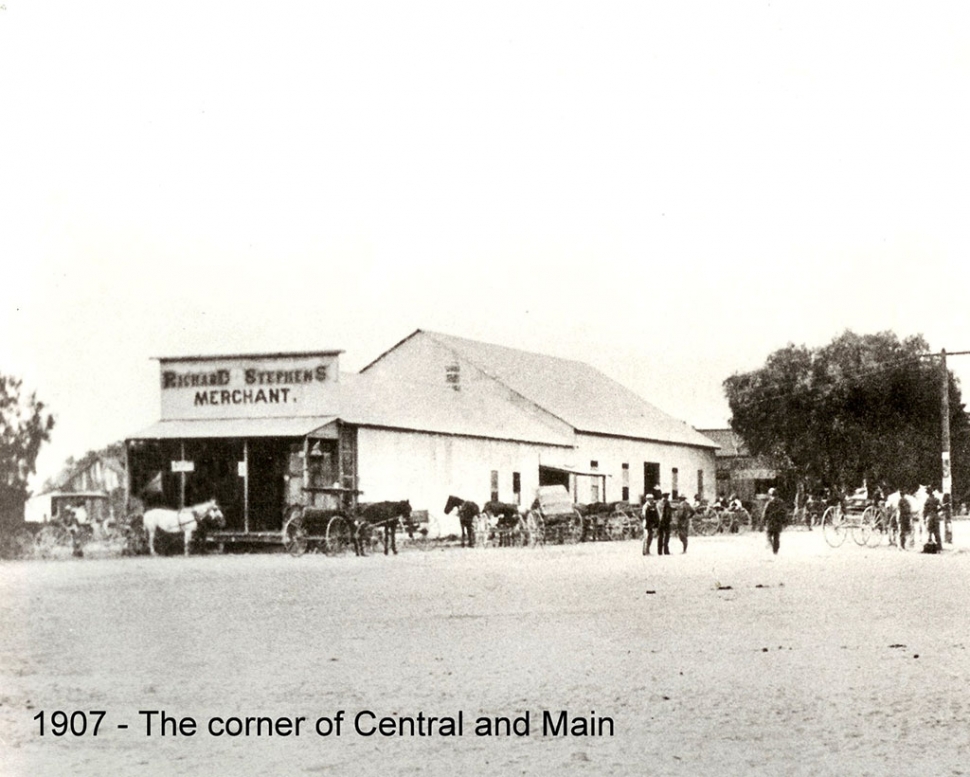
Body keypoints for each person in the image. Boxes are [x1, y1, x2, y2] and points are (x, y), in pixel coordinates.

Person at [763, 487, 786, 555]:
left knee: (768, 534)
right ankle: (775, 550)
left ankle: (771, 545)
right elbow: (784, 512)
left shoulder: (769, 502)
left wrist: (763, 521)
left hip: (771, 521)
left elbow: (765, 512)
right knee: (776, 536)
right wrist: (784, 521)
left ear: (770, 494)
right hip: (778, 521)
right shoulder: (781, 502)